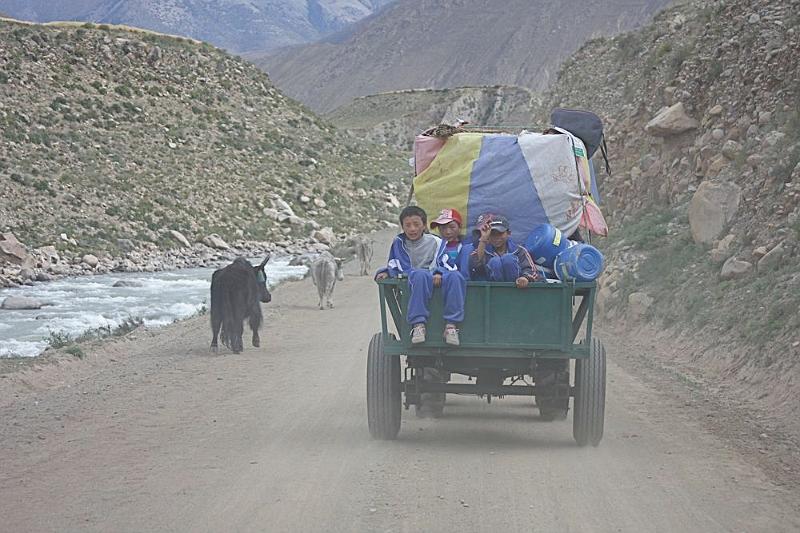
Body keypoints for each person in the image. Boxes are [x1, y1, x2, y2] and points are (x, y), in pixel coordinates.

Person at [469, 213, 543, 286]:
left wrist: (525, 278)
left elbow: (533, 272)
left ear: (508, 233)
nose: (496, 238)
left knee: (508, 259)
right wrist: (483, 239)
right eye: (493, 234)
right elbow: (475, 264)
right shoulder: (483, 250)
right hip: (493, 291)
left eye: (500, 233)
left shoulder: (519, 250)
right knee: (495, 261)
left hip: (518, 290)